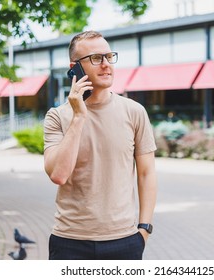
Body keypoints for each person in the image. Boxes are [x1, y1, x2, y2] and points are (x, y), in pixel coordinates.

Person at [43, 30, 157, 260]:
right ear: (75, 67)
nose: (106, 65)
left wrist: (144, 229)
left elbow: (146, 174)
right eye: (96, 58)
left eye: (109, 56)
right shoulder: (57, 117)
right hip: (69, 242)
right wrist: (78, 117)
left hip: (125, 241)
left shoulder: (134, 112)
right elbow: (58, 175)